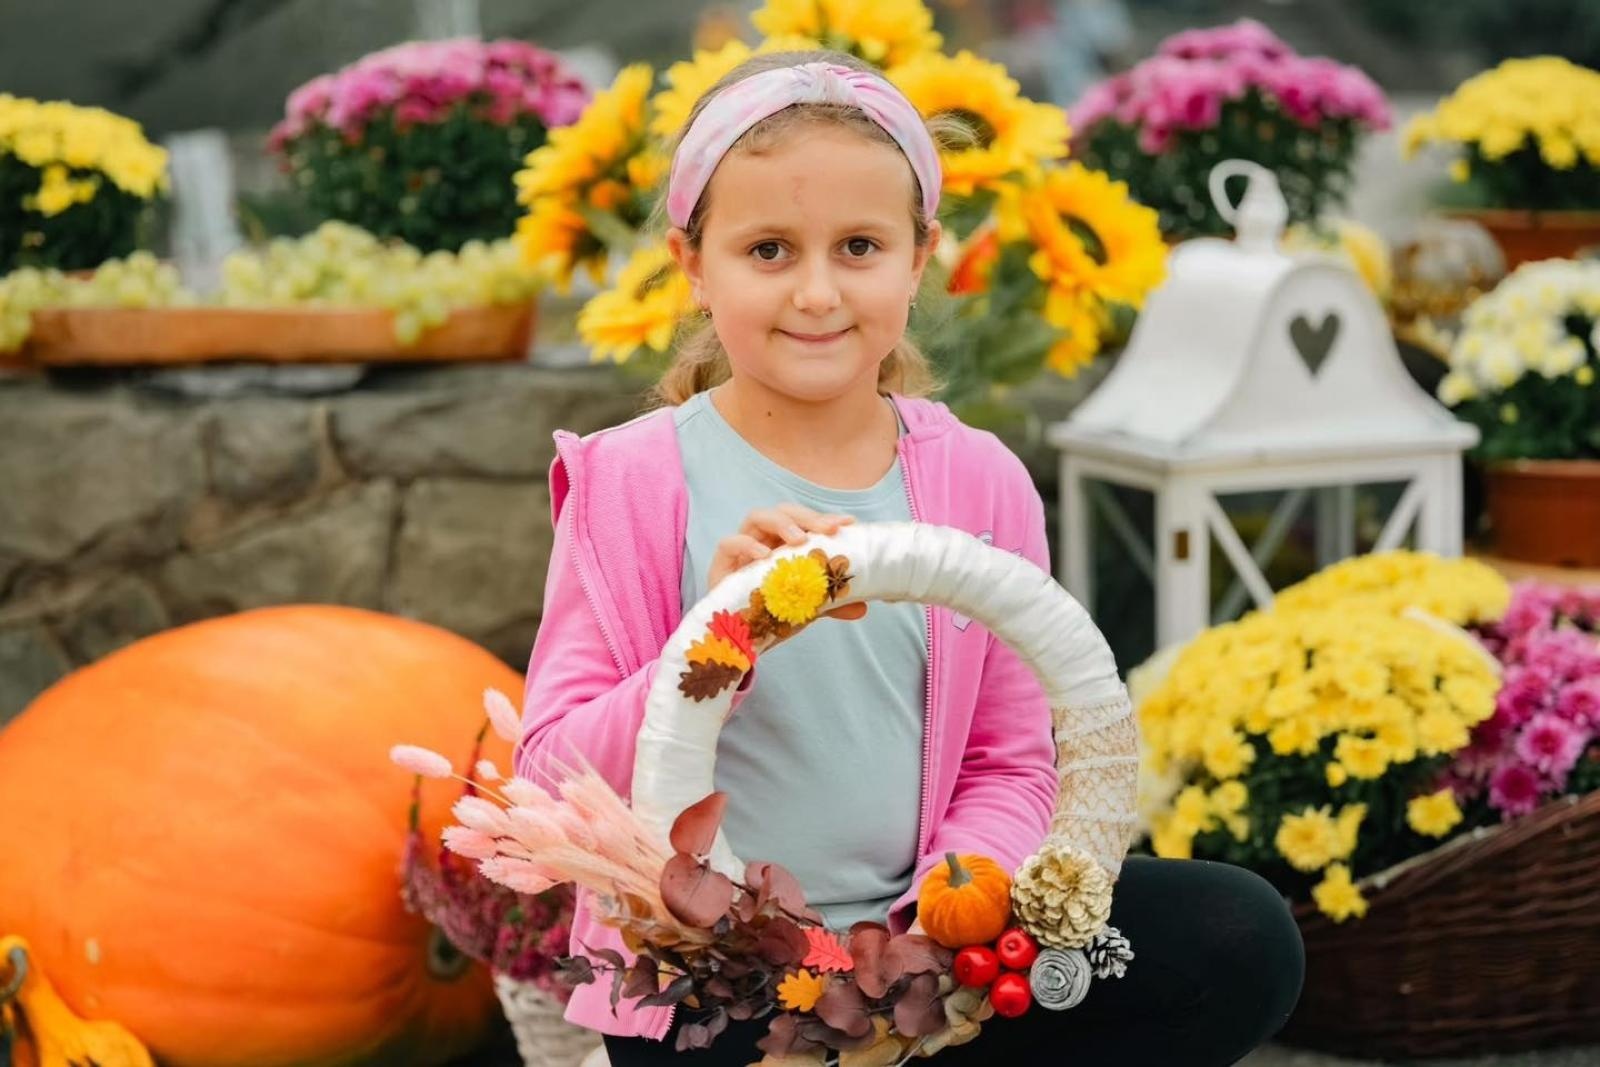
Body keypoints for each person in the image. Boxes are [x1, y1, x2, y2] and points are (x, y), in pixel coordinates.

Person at [514, 49, 1304, 1066]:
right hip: (722, 975)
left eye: (857, 246)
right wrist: (712, 642)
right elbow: (548, 780)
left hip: (935, 952)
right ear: (690, 264)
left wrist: (944, 917)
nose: (814, 292)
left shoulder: (978, 480)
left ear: (918, 258)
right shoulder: (628, 483)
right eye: (766, 250)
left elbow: (1011, 756)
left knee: (1235, 933)